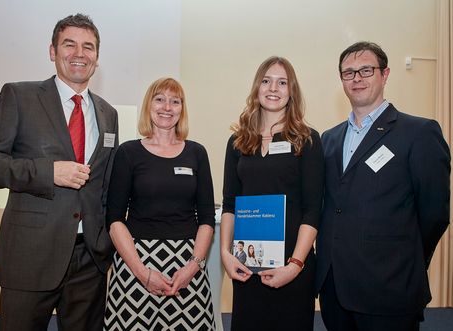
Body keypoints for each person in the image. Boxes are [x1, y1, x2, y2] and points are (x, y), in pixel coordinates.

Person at [0, 14, 118, 331]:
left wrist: (105, 243)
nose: (79, 53)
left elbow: (103, 183)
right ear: (52, 51)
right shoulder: (19, 97)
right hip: (30, 257)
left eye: (88, 47)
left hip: (89, 263)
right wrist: (47, 172)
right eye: (69, 44)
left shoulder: (108, 113)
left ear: (97, 58)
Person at [316, 41, 450, 331]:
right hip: (335, 289)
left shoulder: (419, 132)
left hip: (390, 288)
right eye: (348, 73)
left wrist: (405, 258)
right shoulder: (328, 139)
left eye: (366, 70)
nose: (357, 79)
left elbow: (435, 213)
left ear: (385, 75)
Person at [220, 56, 324, 331]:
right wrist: (225, 253)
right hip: (247, 265)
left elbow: (313, 210)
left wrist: (295, 265)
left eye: (282, 82)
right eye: (266, 81)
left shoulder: (307, 139)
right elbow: (230, 204)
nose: (273, 88)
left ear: (292, 91)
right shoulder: (238, 141)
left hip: (292, 266)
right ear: (257, 88)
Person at [103, 77, 216, 330]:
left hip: (187, 266)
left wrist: (193, 267)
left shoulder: (197, 153)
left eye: (175, 101)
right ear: (148, 105)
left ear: (182, 109)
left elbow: (207, 219)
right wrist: (142, 273)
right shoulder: (128, 152)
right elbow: (114, 220)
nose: (167, 107)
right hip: (136, 263)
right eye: (160, 99)